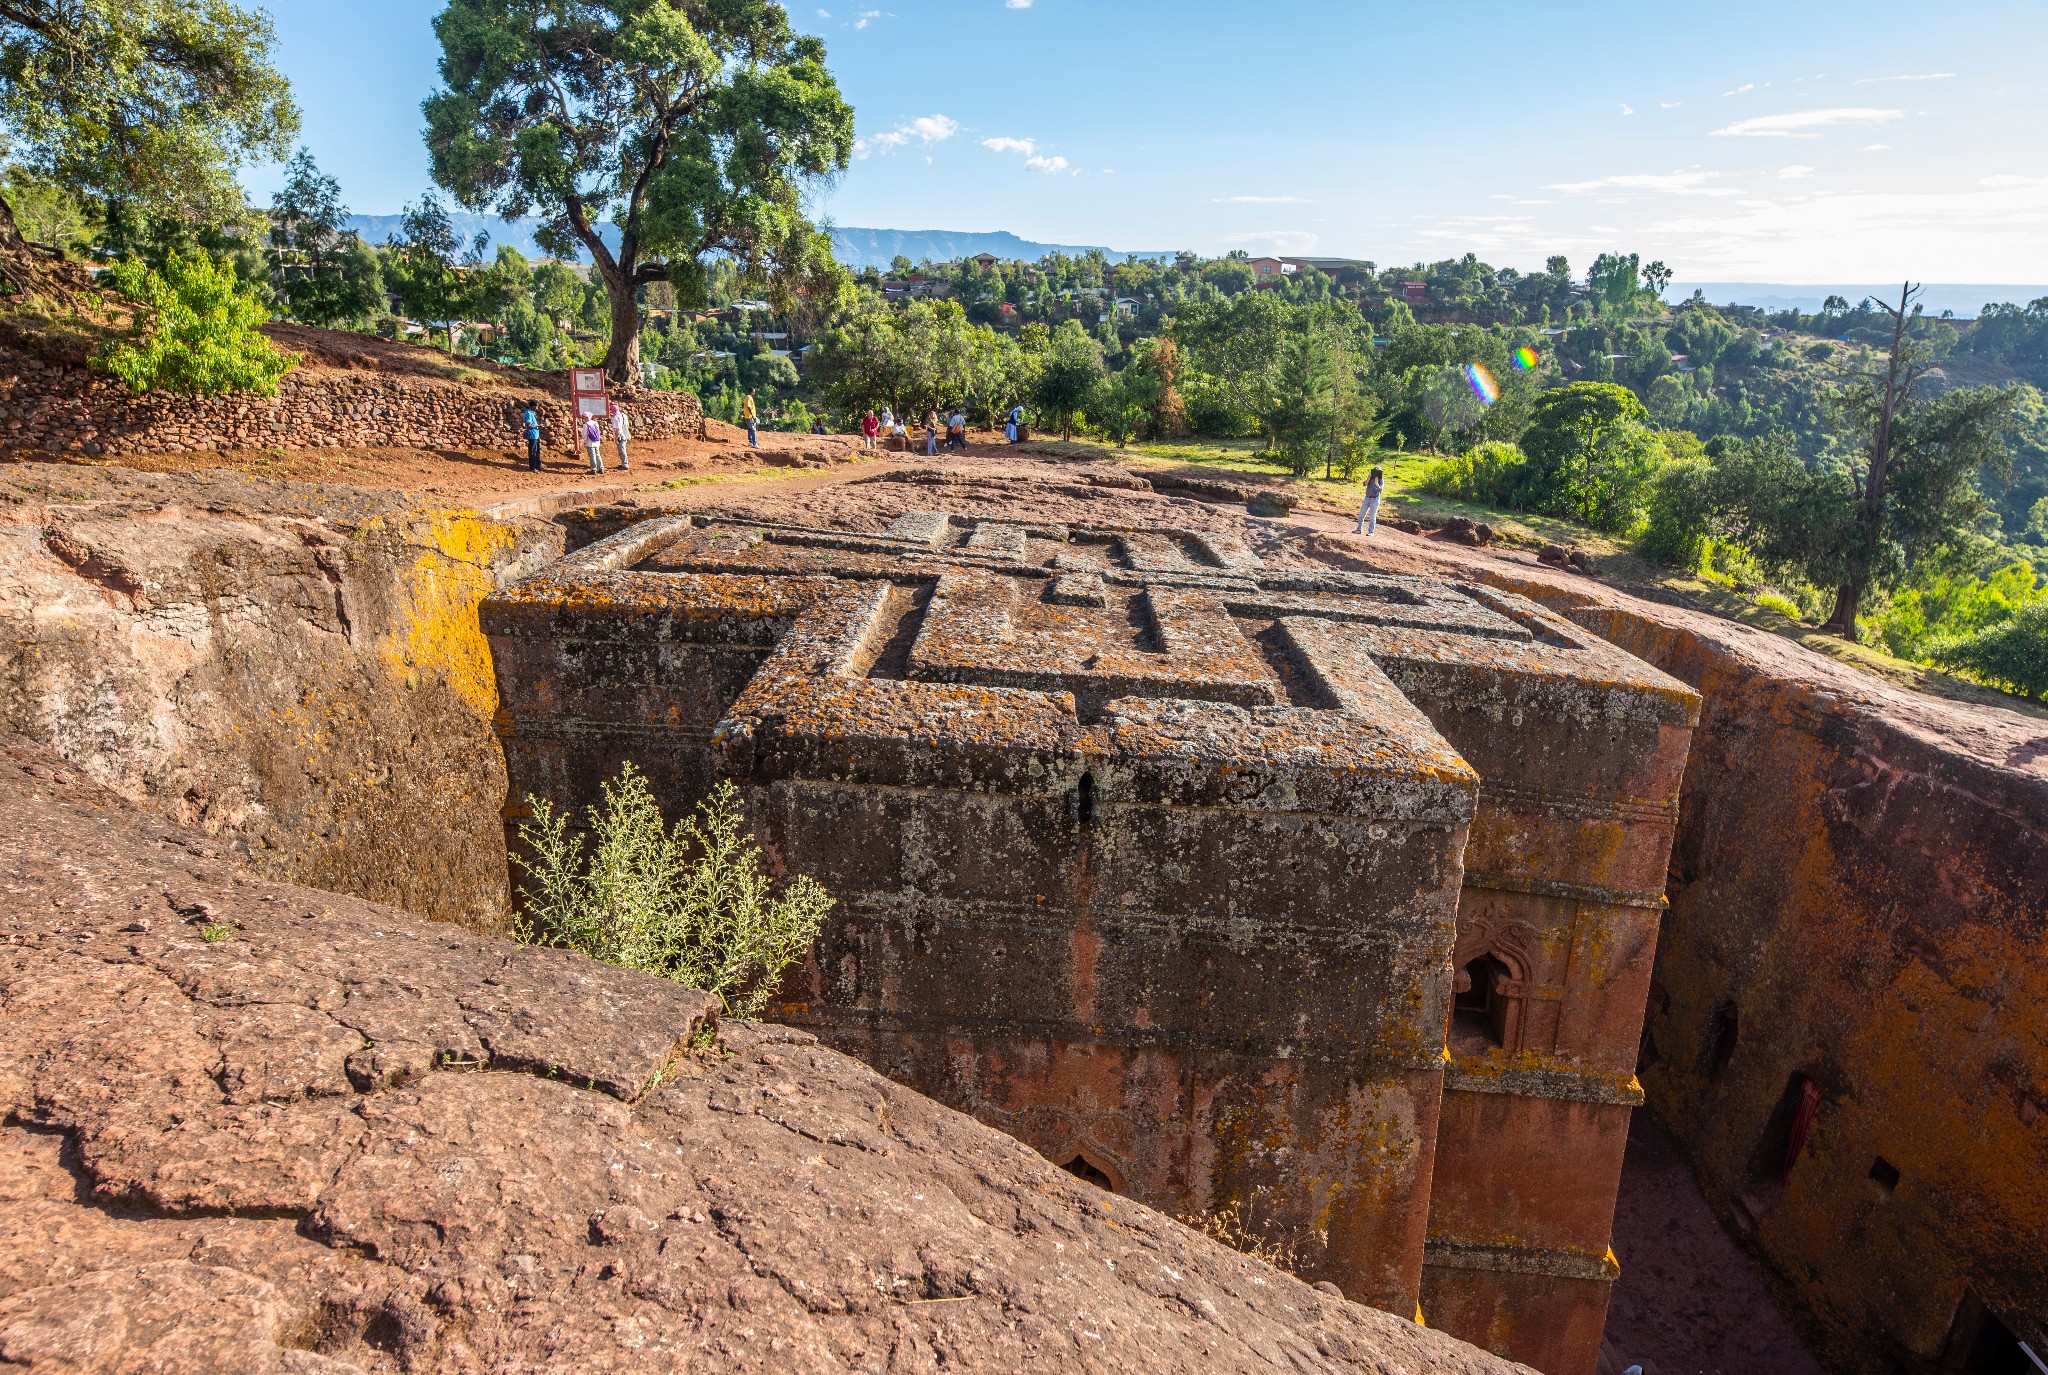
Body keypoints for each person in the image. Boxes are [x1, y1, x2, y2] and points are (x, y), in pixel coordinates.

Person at [1355, 465, 1385, 535]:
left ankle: (1371, 532)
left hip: (1375, 499)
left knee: (1372, 517)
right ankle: (1359, 529)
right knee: (1361, 515)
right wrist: (1368, 478)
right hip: (1367, 498)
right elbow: (1364, 484)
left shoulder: (1381, 480)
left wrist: (1377, 483)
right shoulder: (1370, 478)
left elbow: (1380, 490)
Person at [609, 401, 631, 472]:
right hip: (624, 434)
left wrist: (616, 437)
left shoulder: (616, 417)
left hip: (620, 435)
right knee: (622, 450)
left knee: (622, 450)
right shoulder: (623, 415)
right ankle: (624, 463)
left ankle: (625, 465)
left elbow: (618, 428)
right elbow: (627, 425)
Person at [522, 404, 542, 472]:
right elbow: (529, 425)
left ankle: (538, 466)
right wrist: (538, 425)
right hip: (532, 435)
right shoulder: (528, 413)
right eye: (536, 406)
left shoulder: (531, 413)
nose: (537, 408)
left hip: (536, 435)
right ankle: (533, 467)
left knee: (537, 451)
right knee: (533, 452)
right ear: (533, 406)